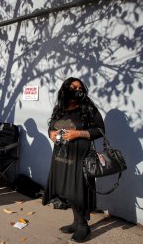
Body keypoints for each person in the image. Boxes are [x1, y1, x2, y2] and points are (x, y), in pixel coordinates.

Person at [42, 77, 105, 242]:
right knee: (68, 190)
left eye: (79, 88)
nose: (77, 90)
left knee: (79, 190)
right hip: (61, 156)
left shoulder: (88, 108)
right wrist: (51, 134)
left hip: (80, 157)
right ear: (65, 89)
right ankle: (76, 222)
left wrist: (78, 134)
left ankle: (84, 226)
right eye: (72, 87)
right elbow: (51, 126)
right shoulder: (60, 108)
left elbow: (100, 130)